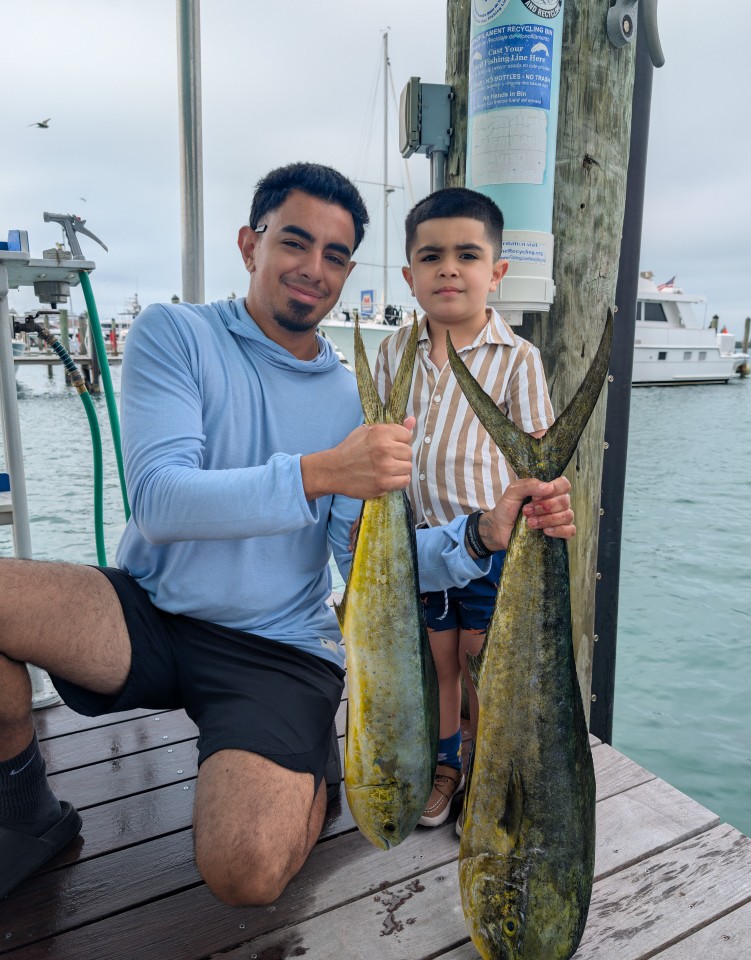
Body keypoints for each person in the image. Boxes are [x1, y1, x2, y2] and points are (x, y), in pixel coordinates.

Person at [0, 163, 574, 906]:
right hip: (148, 608)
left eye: (336, 256)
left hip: (276, 648)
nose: (314, 269)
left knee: (245, 873)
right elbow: (161, 501)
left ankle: (309, 777)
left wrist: (481, 537)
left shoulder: (348, 395)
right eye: (295, 242)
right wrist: (321, 471)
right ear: (250, 244)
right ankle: (25, 812)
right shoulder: (175, 334)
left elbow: (364, 559)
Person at [374, 187, 561, 831]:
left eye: (466, 254)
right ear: (409, 275)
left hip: (490, 544)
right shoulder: (392, 351)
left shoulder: (519, 359)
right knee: (436, 659)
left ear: (496, 272)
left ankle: (484, 768)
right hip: (419, 544)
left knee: (481, 656)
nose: (448, 268)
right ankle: (444, 762)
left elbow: (537, 457)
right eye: (431, 257)